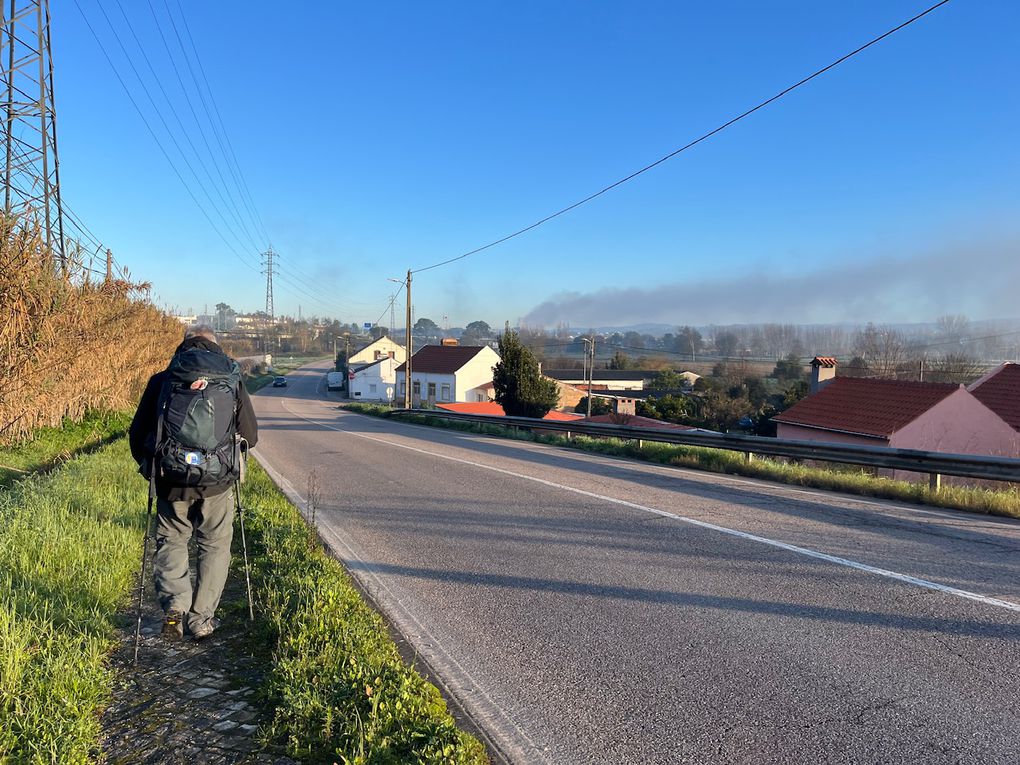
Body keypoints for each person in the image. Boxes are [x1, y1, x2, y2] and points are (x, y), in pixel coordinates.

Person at [129, 325, 258, 640]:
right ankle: (201, 621)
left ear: (184, 345)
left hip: (171, 479)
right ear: (215, 346)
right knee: (214, 546)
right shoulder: (231, 380)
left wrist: (150, 465)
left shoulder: (163, 380)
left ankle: (175, 608)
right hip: (217, 481)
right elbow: (251, 436)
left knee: (172, 540)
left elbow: (137, 434)